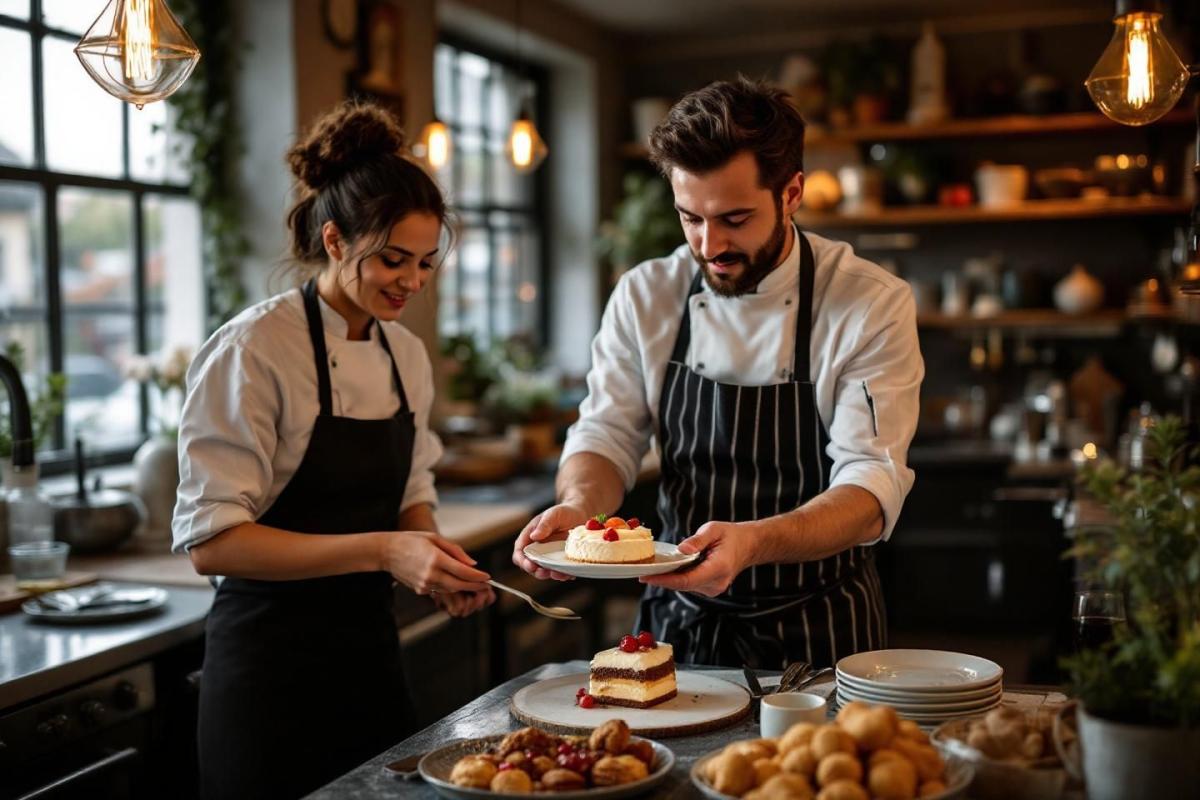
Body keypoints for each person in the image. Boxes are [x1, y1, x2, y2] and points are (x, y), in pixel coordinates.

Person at [513, 78, 923, 669]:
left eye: (735, 218)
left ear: (792, 192)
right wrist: (580, 511)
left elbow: (870, 485)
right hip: (676, 620)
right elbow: (606, 434)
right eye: (690, 219)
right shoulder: (646, 295)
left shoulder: (867, 302)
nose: (711, 245)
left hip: (822, 623)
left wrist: (754, 542)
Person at [173, 101, 495, 800]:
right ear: (335, 240)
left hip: (368, 660)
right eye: (392, 259)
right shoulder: (254, 348)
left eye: (425, 263)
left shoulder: (404, 352)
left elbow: (412, 493)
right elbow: (214, 543)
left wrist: (431, 560)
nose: (411, 282)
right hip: (266, 674)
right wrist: (385, 552)